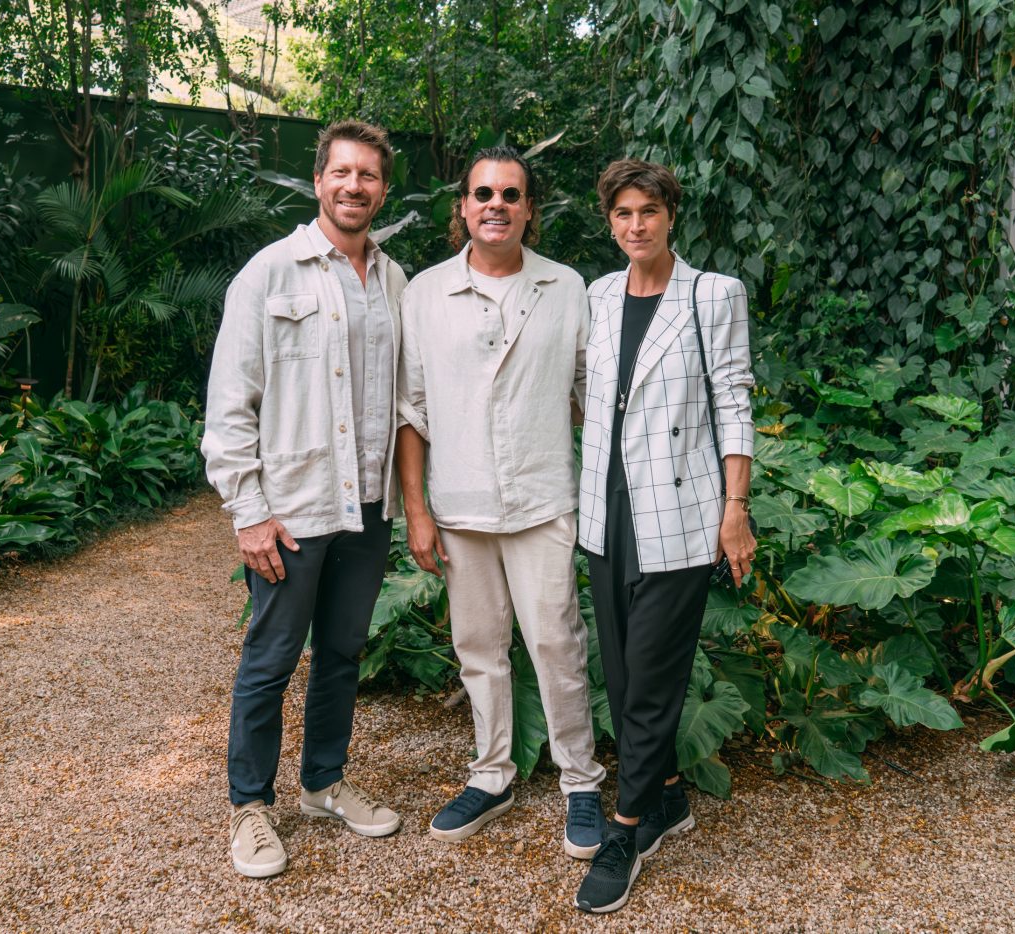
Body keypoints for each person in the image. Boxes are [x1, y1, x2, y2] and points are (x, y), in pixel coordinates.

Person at [202, 120, 407, 879]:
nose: (355, 187)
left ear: (383, 188)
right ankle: (250, 808)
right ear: (319, 180)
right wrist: (247, 511)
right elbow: (229, 405)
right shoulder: (269, 274)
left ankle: (323, 784)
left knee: (344, 654)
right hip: (292, 509)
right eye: (342, 173)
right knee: (270, 658)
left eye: (370, 176)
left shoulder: (394, 281)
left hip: (368, 508)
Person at [395, 146, 607, 858]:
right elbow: (411, 409)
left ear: (529, 211)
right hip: (460, 508)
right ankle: (491, 776)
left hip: (543, 499)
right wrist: (417, 510)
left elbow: (591, 395)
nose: (495, 204)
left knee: (556, 644)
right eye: (482, 192)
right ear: (462, 207)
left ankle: (580, 781)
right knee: (478, 648)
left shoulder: (567, 288)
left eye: (510, 195)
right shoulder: (423, 294)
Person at [572, 159, 756, 913]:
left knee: (649, 677)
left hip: (681, 516)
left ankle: (623, 832)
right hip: (605, 511)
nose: (636, 225)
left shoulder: (713, 295)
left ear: (670, 214)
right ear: (609, 221)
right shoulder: (599, 295)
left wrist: (735, 508)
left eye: (648, 210)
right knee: (620, 673)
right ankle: (670, 798)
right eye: (622, 213)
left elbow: (734, 401)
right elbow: (592, 399)